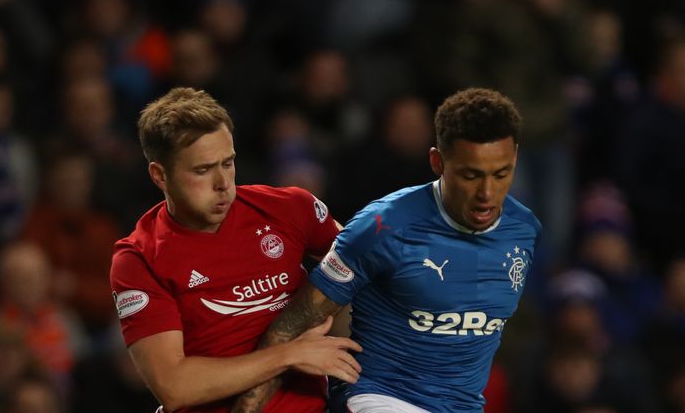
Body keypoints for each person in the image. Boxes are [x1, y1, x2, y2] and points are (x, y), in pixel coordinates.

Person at [233, 88, 542, 413]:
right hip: (378, 397)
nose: (487, 193)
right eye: (470, 175)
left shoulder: (523, 230)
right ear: (437, 162)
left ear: (515, 160)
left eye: (501, 174)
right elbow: (289, 326)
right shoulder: (383, 226)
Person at [108, 87, 362, 413]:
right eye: (202, 170)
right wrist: (289, 354)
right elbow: (174, 387)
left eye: (228, 163)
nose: (223, 183)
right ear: (160, 175)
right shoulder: (139, 259)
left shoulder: (289, 209)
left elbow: (367, 261)